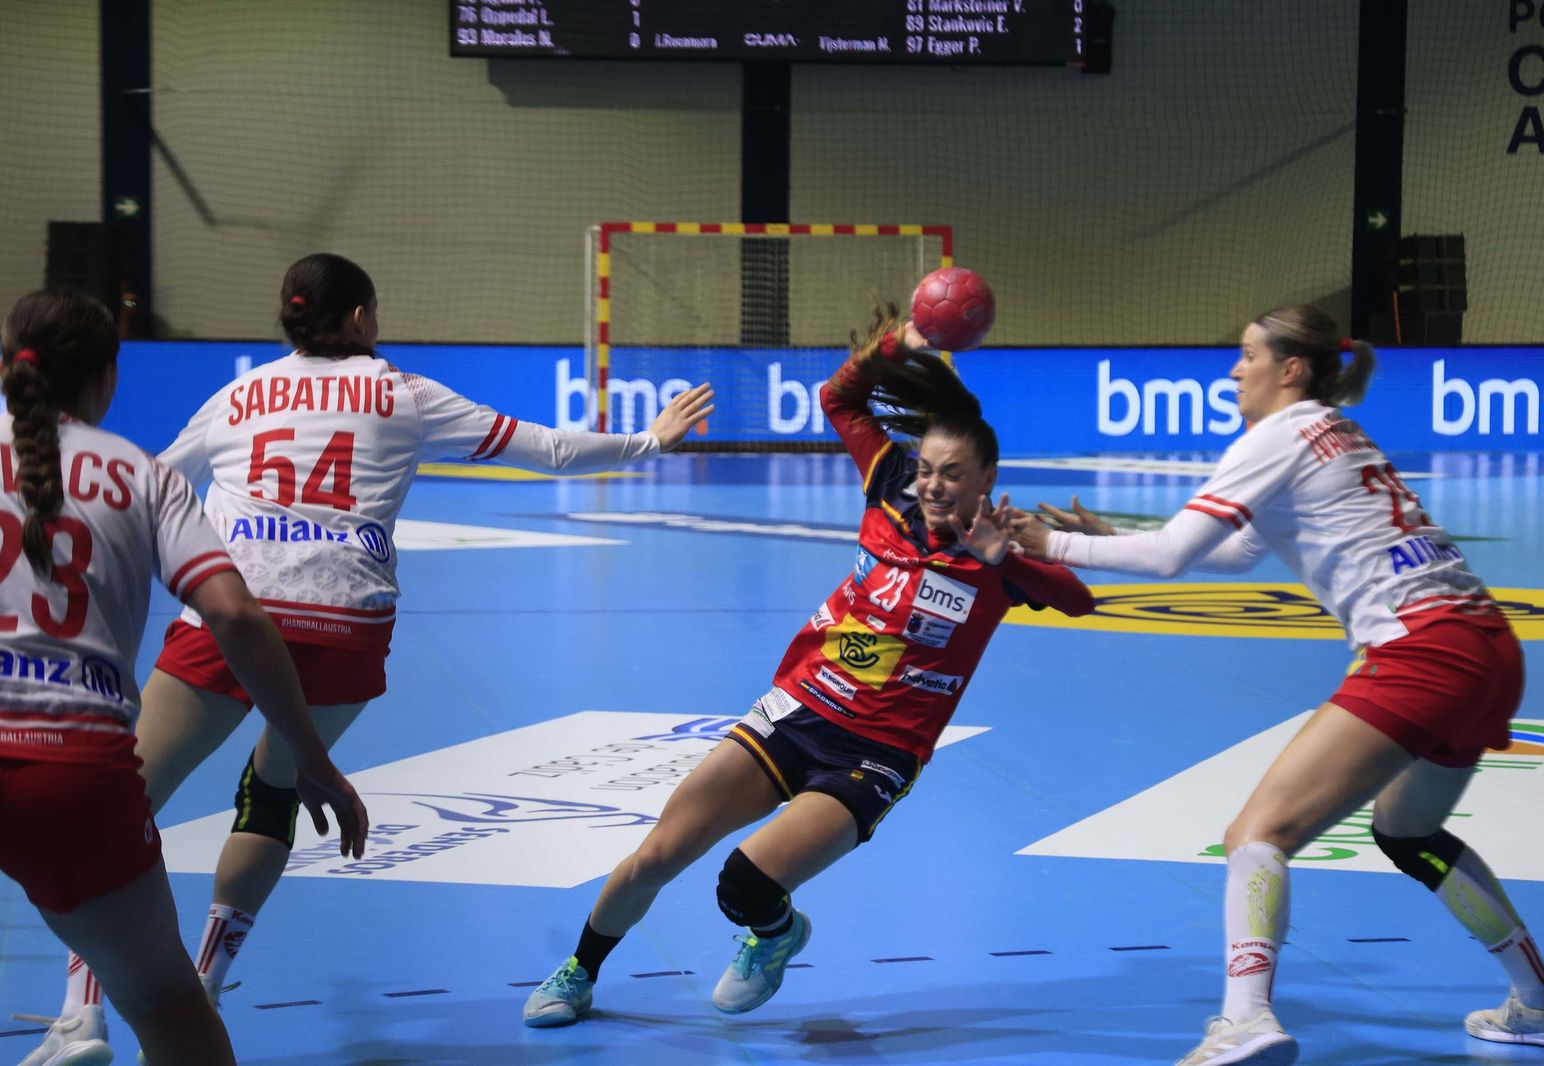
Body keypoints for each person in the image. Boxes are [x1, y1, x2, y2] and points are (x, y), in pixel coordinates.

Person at [22, 253, 714, 1064]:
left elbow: (149, 483)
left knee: (124, 800)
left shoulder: (238, 394)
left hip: (231, 611)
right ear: (357, 320)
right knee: (272, 792)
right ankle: (204, 982)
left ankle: (83, 1015)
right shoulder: (405, 393)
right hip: (346, 624)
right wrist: (648, 441)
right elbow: (546, 450)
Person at [1004, 305, 1544, 1065]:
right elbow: (1238, 552)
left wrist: (1049, 543)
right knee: (1409, 833)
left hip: (1421, 650)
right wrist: (1113, 539)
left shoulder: (1277, 432)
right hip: (1485, 645)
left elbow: (1174, 558)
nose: (1232, 369)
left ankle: (1246, 1019)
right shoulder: (1332, 430)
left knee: (1259, 834)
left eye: (1247, 354)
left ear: (1290, 369)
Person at [519, 302, 1096, 1028]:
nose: (932, 485)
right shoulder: (887, 486)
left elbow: (1078, 602)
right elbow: (838, 397)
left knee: (744, 884)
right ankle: (580, 971)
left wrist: (1017, 553)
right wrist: (901, 342)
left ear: (988, 479)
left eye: (952, 474)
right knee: (661, 853)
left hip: (878, 751)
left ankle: (776, 933)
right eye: (926, 469)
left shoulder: (1001, 558)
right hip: (797, 710)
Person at [0, 289, 367, 1066]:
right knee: (169, 1007)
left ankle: (75, 1022)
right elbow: (234, 615)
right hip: (72, 771)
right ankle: (88, 1019)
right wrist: (312, 755)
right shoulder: (137, 475)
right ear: (107, 378)